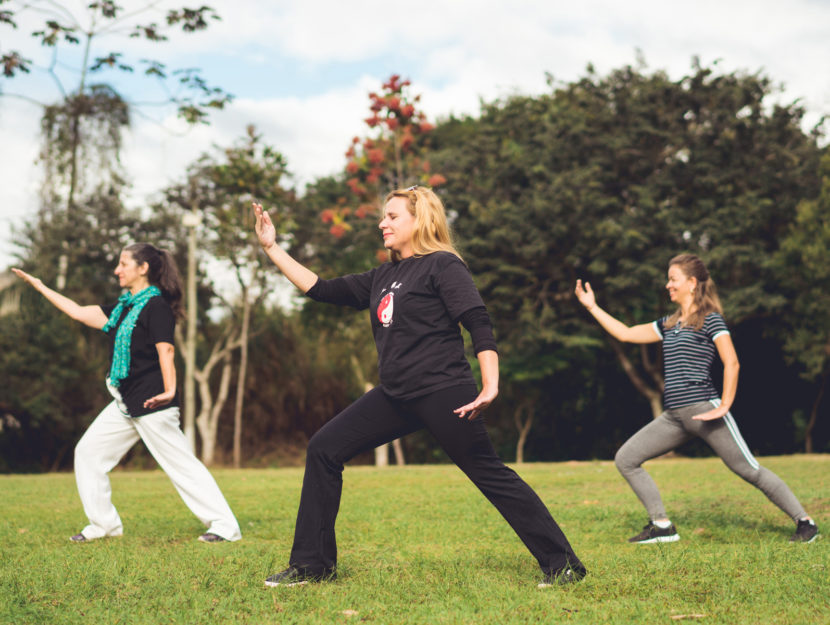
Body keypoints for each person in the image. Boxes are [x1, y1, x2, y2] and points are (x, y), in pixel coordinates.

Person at [253, 186, 586, 587]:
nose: (383, 223)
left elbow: (477, 322)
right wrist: (273, 249)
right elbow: (321, 289)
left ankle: (563, 564)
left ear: (420, 219)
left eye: (392, 216)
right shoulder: (383, 276)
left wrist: (490, 383)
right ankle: (312, 565)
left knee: (488, 473)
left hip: (444, 390)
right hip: (395, 395)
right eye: (384, 216)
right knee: (324, 448)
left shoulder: (443, 266)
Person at [574, 253, 819, 544]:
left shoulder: (710, 320)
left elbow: (732, 363)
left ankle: (805, 523)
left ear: (692, 283)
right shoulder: (669, 323)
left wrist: (725, 405)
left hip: (706, 410)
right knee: (626, 458)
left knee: (748, 469)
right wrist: (593, 307)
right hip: (674, 416)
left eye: (673, 279)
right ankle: (662, 526)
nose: (668, 285)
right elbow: (626, 334)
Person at [12, 243, 241, 543]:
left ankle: (225, 527)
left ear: (143, 268)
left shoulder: (156, 306)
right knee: (88, 453)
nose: (117, 270)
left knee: (181, 466)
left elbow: (166, 350)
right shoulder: (123, 309)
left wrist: (170, 390)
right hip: (126, 402)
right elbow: (79, 313)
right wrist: (41, 286)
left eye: (123, 264)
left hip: (153, 402)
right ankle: (104, 525)